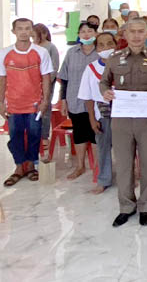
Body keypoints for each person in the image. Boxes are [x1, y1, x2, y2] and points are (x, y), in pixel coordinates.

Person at [99, 18, 147, 227]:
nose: (137, 36)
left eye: (141, 31)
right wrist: (105, 91)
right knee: (124, 164)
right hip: (121, 118)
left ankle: (146, 206)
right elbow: (104, 81)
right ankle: (126, 206)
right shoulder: (114, 58)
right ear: (125, 34)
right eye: (132, 31)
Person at [0, 18, 53, 187]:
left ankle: (30, 166)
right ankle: (18, 167)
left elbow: (46, 78)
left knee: (34, 135)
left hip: (34, 105)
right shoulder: (4, 53)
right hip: (13, 104)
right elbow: (2, 79)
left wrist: (45, 100)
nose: (24, 32)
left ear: (32, 31)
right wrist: (1, 103)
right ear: (13, 31)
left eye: (27, 28)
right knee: (14, 136)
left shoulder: (41, 52)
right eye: (20, 28)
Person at [59, 21, 100, 180]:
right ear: (78, 35)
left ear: (96, 34)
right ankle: (80, 166)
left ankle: (98, 168)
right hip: (75, 98)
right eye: (83, 31)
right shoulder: (72, 52)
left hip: (96, 101)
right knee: (79, 132)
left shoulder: (100, 52)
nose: (86, 34)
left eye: (90, 31)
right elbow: (64, 78)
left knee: (96, 132)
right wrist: (63, 99)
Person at [77, 32, 117, 194]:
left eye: (110, 43)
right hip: (102, 114)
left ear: (116, 45)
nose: (106, 47)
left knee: (126, 148)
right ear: (96, 48)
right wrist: (92, 119)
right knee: (103, 148)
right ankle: (104, 180)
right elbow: (87, 97)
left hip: (123, 114)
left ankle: (128, 177)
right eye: (101, 44)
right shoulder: (91, 68)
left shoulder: (123, 65)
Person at [32, 23, 59, 153]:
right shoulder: (31, 47)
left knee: (45, 109)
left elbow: (54, 66)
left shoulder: (50, 47)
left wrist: (46, 82)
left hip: (47, 83)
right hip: (32, 84)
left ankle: (44, 137)